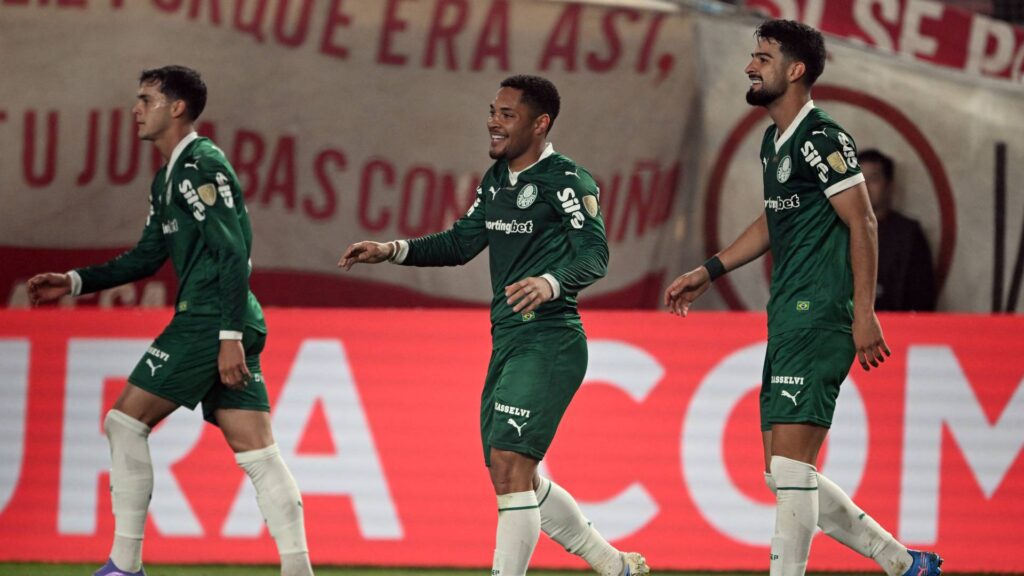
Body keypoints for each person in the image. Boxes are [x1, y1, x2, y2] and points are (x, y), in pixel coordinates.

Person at [663, 20, 942, 576]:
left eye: (763, 58)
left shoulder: (823, 136)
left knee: (790, 467)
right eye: (753, 55)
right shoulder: (775, 142)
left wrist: (863, 313)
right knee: (782, 472)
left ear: (795, 71)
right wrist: (710, 269)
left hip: (820, 315)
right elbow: (775, 218)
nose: (750, 65)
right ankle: (902, 562)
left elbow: (863, 221)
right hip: (788, 315)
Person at [339, 75, 648, 576]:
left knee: (510, 465)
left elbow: (595, 255)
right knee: (514, 475)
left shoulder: (568, 180)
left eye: (507, 114)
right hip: (507, 339)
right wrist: (392, 250)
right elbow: (460, 243)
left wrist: (551, 282)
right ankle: (616, 567)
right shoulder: (496, 181)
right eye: (492, 111)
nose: (493, 122)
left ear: (539, 123)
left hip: (550, 339)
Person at [27, 66, 313, 576]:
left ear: (176, 107)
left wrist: (226, 337)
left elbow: (234, 253)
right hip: (227, 317)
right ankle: (299, 570)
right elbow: (145, 257)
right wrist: (73, 281)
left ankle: (126, 564)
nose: (136, 109)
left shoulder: (202, 165)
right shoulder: (168, 178)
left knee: (124, 422)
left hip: (210, 317)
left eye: (146, 99)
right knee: (257, 448)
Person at [859, 149, 937, 311]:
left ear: (889, 185)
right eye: (858, 179)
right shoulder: (836, 230)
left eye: (873, 179)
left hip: (899, 326)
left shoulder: (908, 234)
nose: (864, 186)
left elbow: (923, 296)